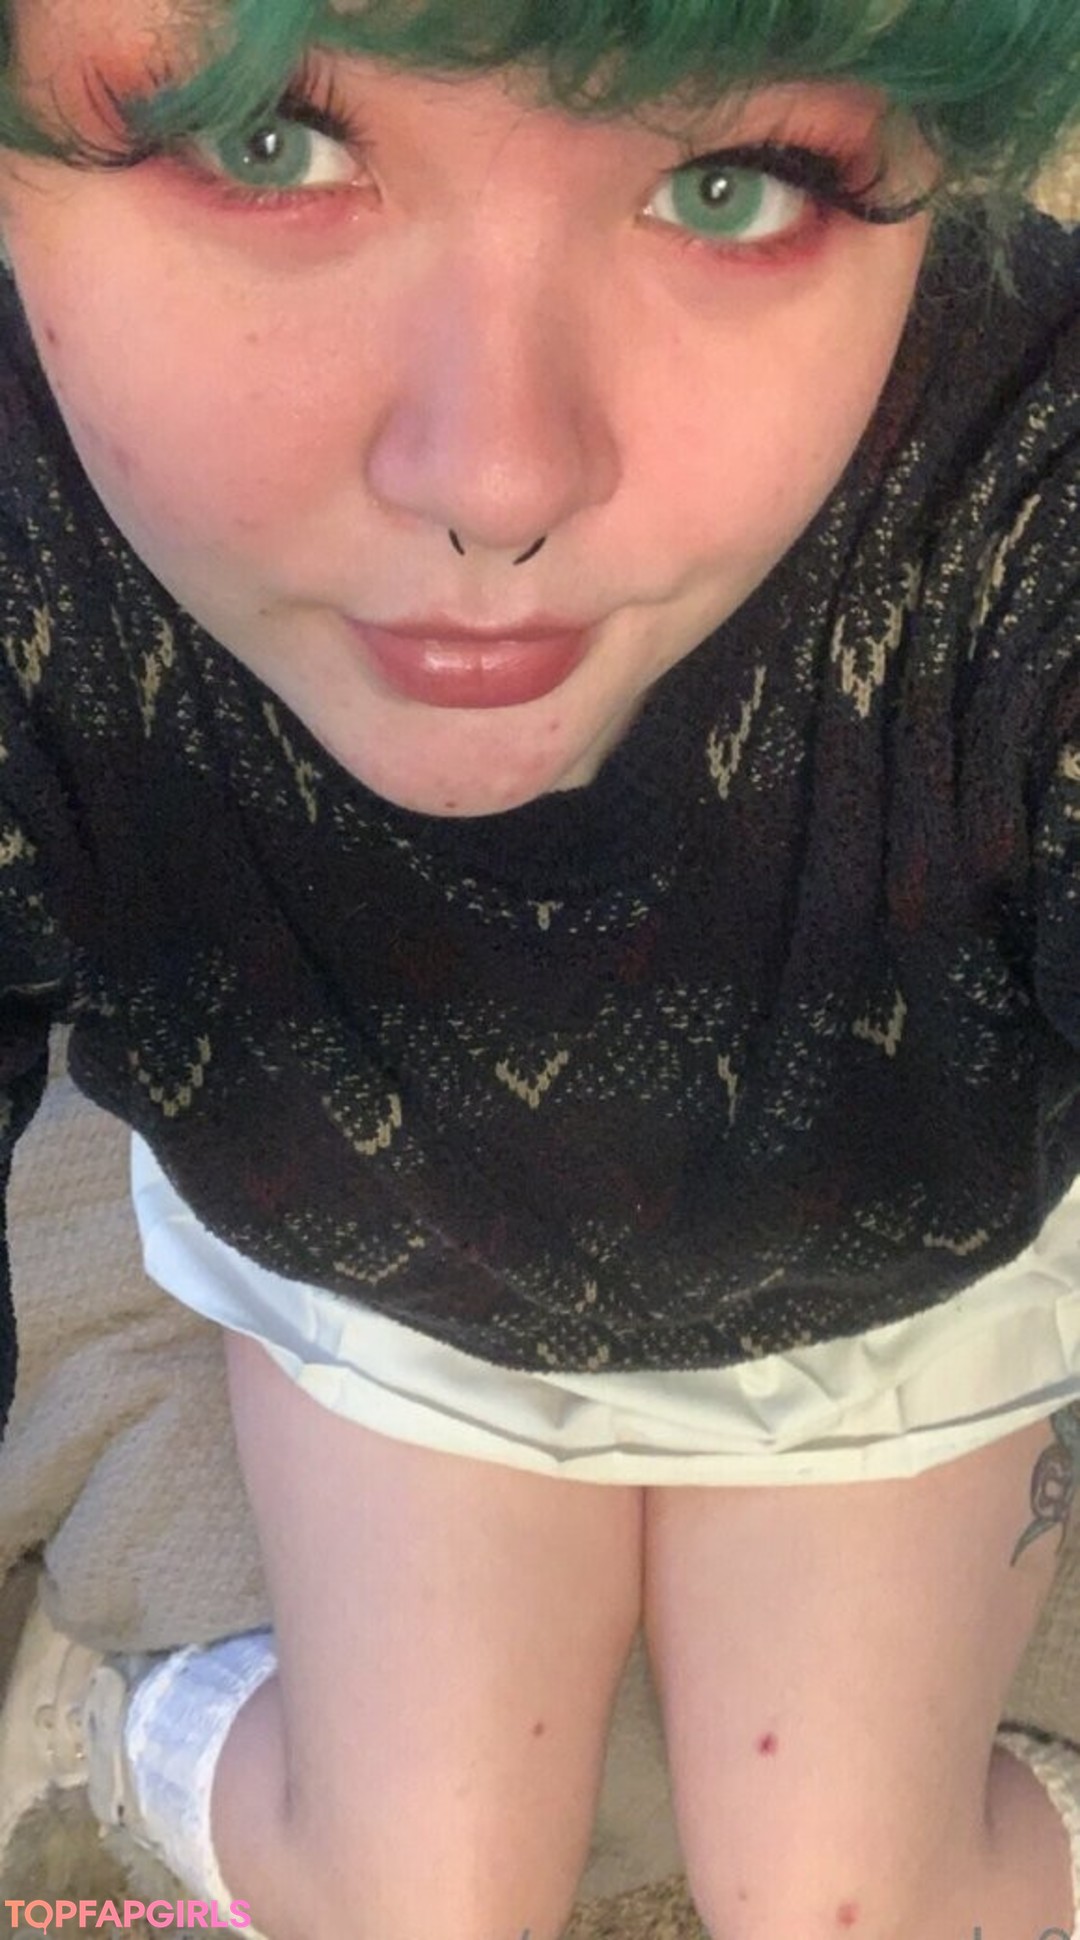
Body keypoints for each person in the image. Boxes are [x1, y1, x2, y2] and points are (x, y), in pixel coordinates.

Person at [0, 0, 1077, 1934]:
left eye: (732, 182)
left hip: (898, 1295)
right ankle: (138, 1724)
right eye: (265, 144)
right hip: (375, 1266)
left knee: (861, 1909)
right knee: (412, 1901)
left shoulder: (1026, 481)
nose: (496, 482)